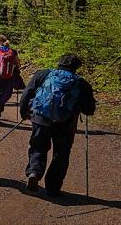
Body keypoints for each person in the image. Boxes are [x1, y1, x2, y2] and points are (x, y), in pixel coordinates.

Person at [20, 54, 96, 197]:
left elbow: (27, 93)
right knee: (61, 154)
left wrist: (24, 112)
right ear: (76, 67)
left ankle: (34, 173)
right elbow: (89, 110)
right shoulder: (81, 84)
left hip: (40, 119)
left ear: (59, 63)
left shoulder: (43, 74)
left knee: (38, 146)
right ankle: (53, 188)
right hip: (66, 124)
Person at [0, 35, 22, 124]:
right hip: (9, 77)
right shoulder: (13, 51)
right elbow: (18, 64)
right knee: (5, 94)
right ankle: (0, 109)